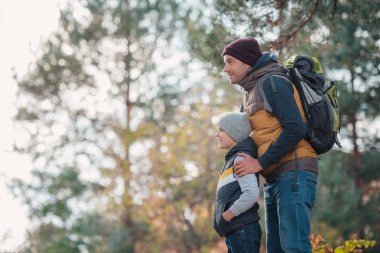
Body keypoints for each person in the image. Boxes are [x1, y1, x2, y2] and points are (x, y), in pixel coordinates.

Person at [222, 38, 318, 253]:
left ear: (247, 62)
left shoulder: (272, 82)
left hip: (294, 172)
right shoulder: (250, 92)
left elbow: (295, 128)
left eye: (230, 62)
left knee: (295, 248)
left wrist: (260, 163)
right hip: (274, 177)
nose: (225, 68)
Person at [213, 112, 262, 253]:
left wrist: (227, 216)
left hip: (243, 230)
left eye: (221, 130)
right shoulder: (232, 159)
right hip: (236, 230)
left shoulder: (240, 159)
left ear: (234, 132)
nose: (217, 135)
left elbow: (251, 194)